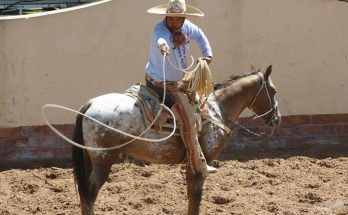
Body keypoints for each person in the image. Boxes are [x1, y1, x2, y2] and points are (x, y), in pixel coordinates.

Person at [145, 0, 216, 177]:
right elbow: (161, 39)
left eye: (178, 18)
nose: (174, 22)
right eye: (171, 18)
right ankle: (196, 161)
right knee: (190, 119)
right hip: (161, 83)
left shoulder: (188, 27)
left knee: (200, 107)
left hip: (178, 83)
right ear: (166, 16)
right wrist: (164, 46)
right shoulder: (159, 29)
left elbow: (199, 36)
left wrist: (207, 54)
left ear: (184, 18)